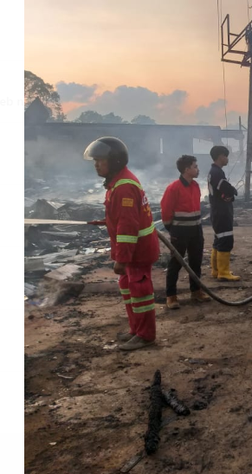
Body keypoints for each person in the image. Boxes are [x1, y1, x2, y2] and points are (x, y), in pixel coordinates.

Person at [83, 137, 159, 351]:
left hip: (138, 251)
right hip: (133, 250)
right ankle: (135, 330)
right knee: (129, 290)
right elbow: (122, 218)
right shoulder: (116, 182)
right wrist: (105, 221)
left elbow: (127, 228)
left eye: (100, 160)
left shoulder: (123, 187)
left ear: (114, 161)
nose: (96, 164)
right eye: (95, 160)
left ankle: (146, 336)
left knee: (140, 292)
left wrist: (121, 259)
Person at [161, 155, 212, 309]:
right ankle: (171, 296)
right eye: (195, 166)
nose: (198, 169)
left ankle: (196, 291)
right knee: (176, 263)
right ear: (186, 169)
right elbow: (166, 212)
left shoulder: (195, 186)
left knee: (196, 262)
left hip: (196, 230)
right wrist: (173, 230)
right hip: (180, 232)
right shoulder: (173, 188)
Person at [208, 145, 240, 281]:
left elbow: (221, 190)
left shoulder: (214, 171)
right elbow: (225, 187)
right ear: (220, 156)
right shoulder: (217, 173)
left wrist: (229, 195)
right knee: (226, 240)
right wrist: (233, 192)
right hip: (221, 212)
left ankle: (216, 271)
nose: (227, 159)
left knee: (218, 240)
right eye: (226, 156)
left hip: (217, 211)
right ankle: (223, 272)